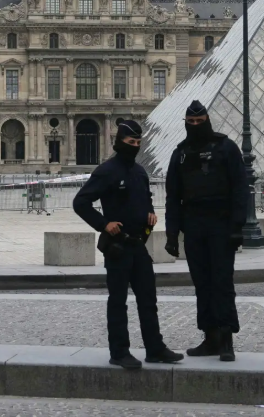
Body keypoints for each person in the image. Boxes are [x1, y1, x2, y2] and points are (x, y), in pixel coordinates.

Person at [73, 120, 183, 370]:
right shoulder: (106, 171)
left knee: (148, 299)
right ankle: (119, 351)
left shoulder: (140, 171)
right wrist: (103, 224)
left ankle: (155, 348)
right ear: (119, 142)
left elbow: (145, 198)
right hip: (118, 246)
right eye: (130, 142)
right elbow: (81, 202)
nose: (134, 146)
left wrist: (150, 213)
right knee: (118, 300)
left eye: (137, 143)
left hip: (138, 245)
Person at [164, 100, 247, 362]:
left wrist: (237, 227)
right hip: (194, 224)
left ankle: (226, 338)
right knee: (202, 283)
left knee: (222, 281)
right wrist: (171, 234)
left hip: (221, 224)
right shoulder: (179, 153)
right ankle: (209, 336)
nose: (196, 126)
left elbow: (240, 190)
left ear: (208, 120)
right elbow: (172, 197)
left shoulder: (226, 148)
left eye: (200, 122)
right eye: (192, 122)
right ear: (186, 123)